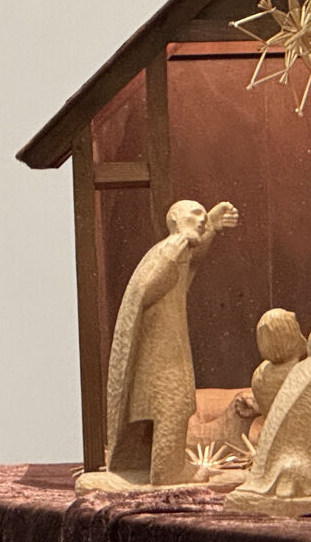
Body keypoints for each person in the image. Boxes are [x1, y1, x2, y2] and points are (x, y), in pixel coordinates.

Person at [101, 199, 239, 487]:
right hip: (160, 354)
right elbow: (145, 290)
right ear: (175, 218)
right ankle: (167, 473)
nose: (201, 219)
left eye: (203, 215)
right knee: (173, 402)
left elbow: (191, 260)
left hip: (167, 347)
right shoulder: (167, 250)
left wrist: (212, 227)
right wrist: (171, 255)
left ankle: (164, 467)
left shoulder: (176, 250)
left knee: (177, 401)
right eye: (196, 214)